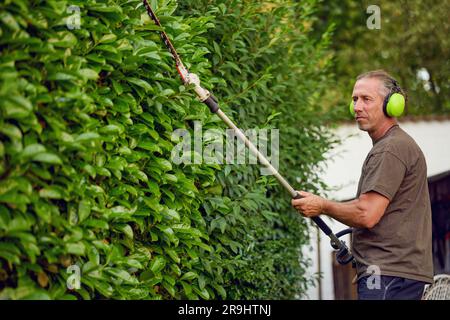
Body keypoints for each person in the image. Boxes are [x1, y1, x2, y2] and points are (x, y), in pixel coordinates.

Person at [292, 70, 433, 300]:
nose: (357, 107)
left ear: (392, 105)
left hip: (388, 274)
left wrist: (322, 205)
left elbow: (367, 214)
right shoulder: (392, 146)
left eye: (366, 99)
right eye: (354, 99)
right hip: (390, 274)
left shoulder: (391, 149)